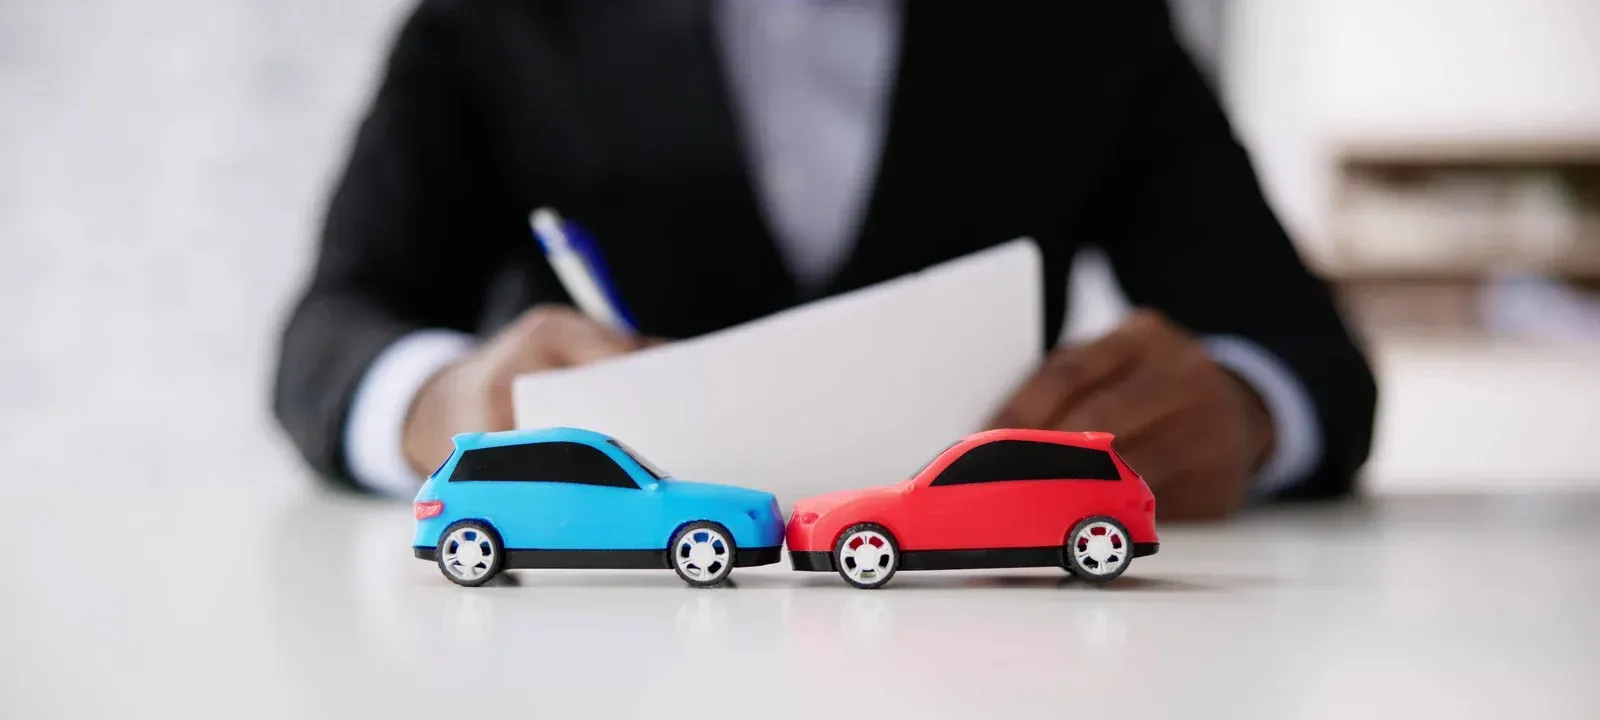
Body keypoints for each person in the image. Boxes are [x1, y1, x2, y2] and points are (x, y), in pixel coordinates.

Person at [272, 0, 1377, 520]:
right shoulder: (494, 24)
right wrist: (445, 398)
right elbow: (332, 332)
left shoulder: (1096, 26)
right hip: (601, 645)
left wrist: (1241, 412)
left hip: (989, 641)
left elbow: (1306, 356)